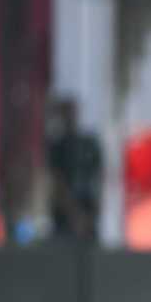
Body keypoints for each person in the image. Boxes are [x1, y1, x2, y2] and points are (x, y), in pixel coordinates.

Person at [46, 98, 102, 242]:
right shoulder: (57, 145)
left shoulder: (89, 143)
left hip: (87, 214)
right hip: (65, 218)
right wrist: (75, 215)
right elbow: (57, 182)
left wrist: (90, 216)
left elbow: (99, 179)